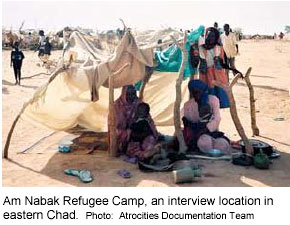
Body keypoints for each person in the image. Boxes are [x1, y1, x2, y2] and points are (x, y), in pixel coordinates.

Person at [182, 80, 230, 154]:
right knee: (205, 142)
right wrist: (199, 130)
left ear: (203, 90)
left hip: (212, 132)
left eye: (198, 91)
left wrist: (207, 129)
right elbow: (189, 124)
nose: (196, 94)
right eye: (194, 92)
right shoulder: (187, 105)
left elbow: (217, 119)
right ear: (191, 92)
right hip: (197, 133)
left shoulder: (213, 100)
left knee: (223, 145)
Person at [111, 85, 159, 160]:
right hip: (125, 133)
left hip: (139, 133)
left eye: (133, 94)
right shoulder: (117, 106)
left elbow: (149, 121)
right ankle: (144, 154)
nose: (131, 96)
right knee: (125, 139)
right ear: (124, 94)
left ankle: (149, 152)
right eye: (129, 94)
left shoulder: (139, 104)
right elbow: (115, 126)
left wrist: (149, 132)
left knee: (150, 139)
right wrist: (129, 132)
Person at [197, 26, 230, 108]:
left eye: (212, 36)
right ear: (205, 36)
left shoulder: (218, 47)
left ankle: (220, 104)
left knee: (219, 87)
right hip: (207, 72)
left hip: (216, 71)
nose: (210, 38)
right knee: (209, 88)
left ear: (215, 37)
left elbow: (221, 58)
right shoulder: (202, 47)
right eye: (208, 36)